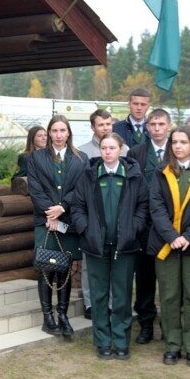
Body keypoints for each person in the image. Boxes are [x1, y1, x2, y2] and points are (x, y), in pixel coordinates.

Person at [69, 133, 149, 359]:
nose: (108, 152)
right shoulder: (89, 175)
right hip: (96, 246)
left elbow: (143, 205)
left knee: (122, 296)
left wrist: (134, 229)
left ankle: (121, 341)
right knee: (99, 296)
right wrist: (86, 230)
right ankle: (103, 341)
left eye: (112, 147)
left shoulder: (133, 175)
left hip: (125, 247)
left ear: (121, 149)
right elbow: (77, 206)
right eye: (104, 147)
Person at [148, 125, 190, 366]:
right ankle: (172, 345)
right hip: (166, 245)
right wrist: (171, 236)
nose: (178, 146)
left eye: (183, 142)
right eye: (174, 142)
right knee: (168, 297)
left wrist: (188, 237)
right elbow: (156, 207)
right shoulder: (161, 171)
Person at [27, 114, 87, 338]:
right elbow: (35, 189)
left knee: (64, 269)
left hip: (67, 220)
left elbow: (80, 189)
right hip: (44, 221)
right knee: (46, 267)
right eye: (54, 131)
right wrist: (50, 213)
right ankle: (47, 317)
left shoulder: (80, 158)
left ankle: (62, 315)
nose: (59, 135)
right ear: (49, 133)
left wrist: (62, 208)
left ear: (68, 132)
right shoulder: (36, 158)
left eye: (62, 130)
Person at [127, 108, 173, 342]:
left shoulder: (177, 150)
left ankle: (169, 325)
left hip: (171, 227)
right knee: (144, 279)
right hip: (144, 226)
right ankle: (146, 324)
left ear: (169, 126)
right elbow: (132, 189)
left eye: (161, 124)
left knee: (169, 280)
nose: (157, 129)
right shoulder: (136, 152)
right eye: (153, 124)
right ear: (147, 127)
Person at [77, 110, 113, 319]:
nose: (105, 128)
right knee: (89, 265)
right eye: (101, 124)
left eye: (108, 124)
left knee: (113, 265)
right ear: (93, 127)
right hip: (92, 219)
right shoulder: (82, 152)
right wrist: (84, 224)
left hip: (114, 220)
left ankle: (111, 303)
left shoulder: (123, 149)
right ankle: (90, 304)